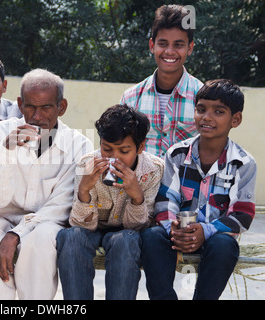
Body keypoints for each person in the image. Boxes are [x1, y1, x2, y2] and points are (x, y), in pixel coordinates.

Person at [0, 68, 93, 300]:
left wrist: (16, 235)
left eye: (46, 107)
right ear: (20, 104)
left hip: (46, 222)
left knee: (42, 237)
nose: (37, 116)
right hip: (2, 218)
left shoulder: (78, 145)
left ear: (61, 107)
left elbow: (61, 206)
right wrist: (8, 151)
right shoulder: (3, 132)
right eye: (31, 106)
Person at [141, 79, 257, 300]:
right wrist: (172, 228)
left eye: (218, 111)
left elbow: (242, 215)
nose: (207, 117)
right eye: (201, 109)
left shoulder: (243, 163)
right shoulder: (176, 154)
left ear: (236, 119)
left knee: (225, 245)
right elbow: (166, 199)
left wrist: (206, 231)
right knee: (152, 236)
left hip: (214, 239)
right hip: (176, 236)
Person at [56, 104, 164, 300]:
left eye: (124, 151)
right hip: (92, 229)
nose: (114, 157)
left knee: (126, 240)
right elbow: (81, 226)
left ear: (140, 147)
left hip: (127, 233)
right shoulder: (87, 165)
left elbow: (139, 227)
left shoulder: (152, 170)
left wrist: (136, 196)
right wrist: (84, 190)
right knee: (70, 237)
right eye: (107, 149)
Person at [120, 4, 203, 158]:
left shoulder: (203, 98)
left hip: (184, 182)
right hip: (139, 182)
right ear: (152, 45)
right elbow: (121, 148)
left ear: (190, 48)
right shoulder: (131, 98)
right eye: (163, 44)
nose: (170, 51)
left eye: (178, 45)